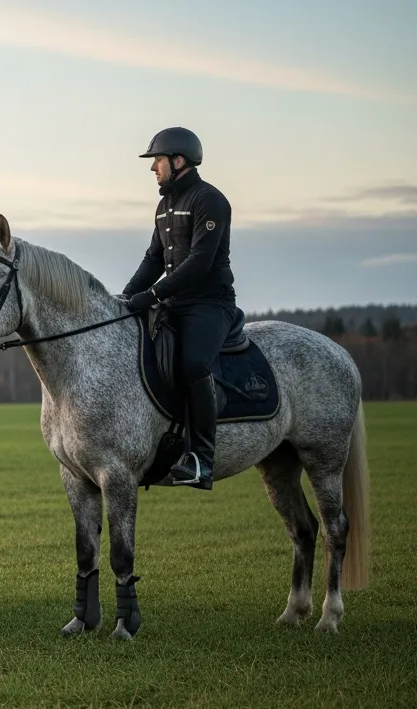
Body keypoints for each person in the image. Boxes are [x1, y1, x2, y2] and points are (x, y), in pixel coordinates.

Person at [121, 127, 238, 491]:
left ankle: (202, 460)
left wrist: (152, 296)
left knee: (193, 364)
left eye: (157, 160)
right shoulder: (164, 206)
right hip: (175, 303)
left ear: (178, 160)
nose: (153, 168)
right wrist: (124, 299)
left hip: (210, 304)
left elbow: (199, 262)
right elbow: (153, 258)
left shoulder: (210, 200)